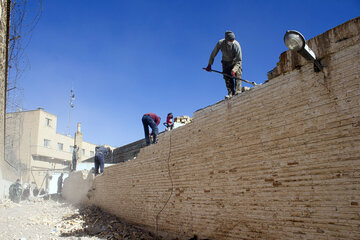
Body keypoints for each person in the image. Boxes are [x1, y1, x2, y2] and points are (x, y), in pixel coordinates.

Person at [206, 30, 242, 99]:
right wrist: (209, 64)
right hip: (225, 62)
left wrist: (234, 70)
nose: (231, 41)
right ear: (226, 39)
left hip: (235, 62)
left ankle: (238, 92)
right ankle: (230, 93)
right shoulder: (221, 43)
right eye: (230, 40)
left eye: (233, 40)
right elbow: (213, 54)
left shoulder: (236, 45)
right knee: (227, 77)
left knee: (237, 76)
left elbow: (239, 60)